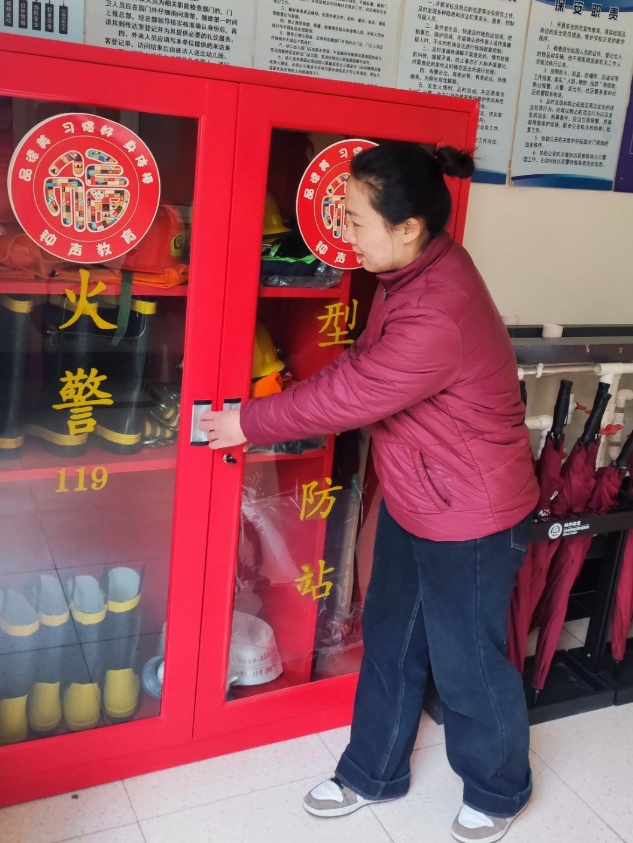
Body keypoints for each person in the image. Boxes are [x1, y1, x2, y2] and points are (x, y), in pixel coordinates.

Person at [200, 142, 539, 843]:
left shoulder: (438, 308)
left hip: (471, 514)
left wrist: (245, 421)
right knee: (390, 638)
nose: (344, 232)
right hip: (421, 496)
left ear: (407, 226)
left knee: (466, 662)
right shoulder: (411, 272)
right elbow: (361, 367)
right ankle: (372, 771)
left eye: (354, 219)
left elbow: (353, 393)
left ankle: (498, 788)